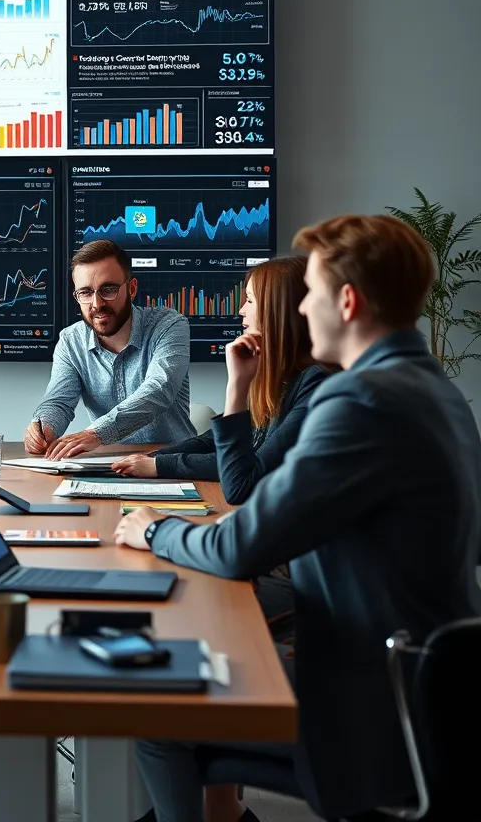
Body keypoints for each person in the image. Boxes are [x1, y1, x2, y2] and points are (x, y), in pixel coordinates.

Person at [116, 214, 481, 822]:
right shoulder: (436, 390)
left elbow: (241, 546)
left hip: (372, 711)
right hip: (433, 695)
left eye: (310, 292)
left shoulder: (360, 401)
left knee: (158, 715)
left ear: (346, 300)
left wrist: (153, 529)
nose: (303, 309)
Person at [112, 256, 329, 504]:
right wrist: (155, 456)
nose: (241, 310)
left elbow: (242, 481)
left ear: (277, 310)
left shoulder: (316, 385)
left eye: (249, 300)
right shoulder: (278, 377)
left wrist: (236, 385)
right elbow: (214, 442)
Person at [25, 239, 195, 459]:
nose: (96, 304)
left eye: (108, 289)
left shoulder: (170, 325)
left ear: (132, 288)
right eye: (85, 293)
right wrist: (43, 428)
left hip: (172, 464)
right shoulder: (70, 341)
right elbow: (59, 401)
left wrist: (96, 433)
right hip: (107, 466)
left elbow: (159, 389)